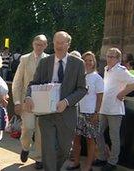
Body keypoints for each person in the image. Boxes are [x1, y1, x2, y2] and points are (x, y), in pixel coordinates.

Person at [25, 31, 87, 171]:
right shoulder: (45, 62)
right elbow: (33, 84)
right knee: (48, 149)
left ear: (68, 44)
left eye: (61, 43)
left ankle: (54, 168)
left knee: (65, 149)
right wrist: (28, 97)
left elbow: (82, 89)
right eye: (56, 42)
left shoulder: (78, 64)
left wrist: (66, 101)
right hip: (46, 114)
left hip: (67, 113)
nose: (58, 46)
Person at [93, 48, 134, 171]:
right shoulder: (106, 69)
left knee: (114, 137)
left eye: (112, 57)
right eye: (108, 56)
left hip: (115, 110)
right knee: (97, 133)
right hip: (104, 108)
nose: (109, 59)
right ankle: (102, 157)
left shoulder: (120, 70)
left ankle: (112, 162)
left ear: (118, 59)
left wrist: (122, 93)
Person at [12, 34, 49, 169]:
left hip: (43, 102)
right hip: (26, 101)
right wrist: (17, 102)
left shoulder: (50, 60)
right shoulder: (25, 59)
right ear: (33, 44)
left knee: (41, 132)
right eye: (37, 44)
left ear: (46, 46)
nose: (39, 47)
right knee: (28, 128)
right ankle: (25, 147)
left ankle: (39, 158)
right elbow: (17, 82)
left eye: (42, 44)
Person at [66, 51, 104, 171]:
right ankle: (76, 162)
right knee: (76, 139)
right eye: (85, 60)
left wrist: (96, 113)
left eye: (90, 60)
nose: (88, 63)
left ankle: (88, 166)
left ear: (94, 63)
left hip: (91, 113)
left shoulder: (97, 78)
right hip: (77, 112)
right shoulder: (79, 76)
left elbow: (100, 97)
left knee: (90, 141)